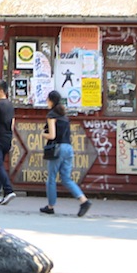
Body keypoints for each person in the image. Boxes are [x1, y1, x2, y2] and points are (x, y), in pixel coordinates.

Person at [41, 89, 92, 217]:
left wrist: (43, 134)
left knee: (51, 178)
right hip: (68, 148)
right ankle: (83, 201)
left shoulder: (51, 116)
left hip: (57, 149)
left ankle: (50, 206)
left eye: (47, 99)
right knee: (66, 178)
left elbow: (52, 135)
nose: (47, 102)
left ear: (51, 100)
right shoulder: (64, 116)